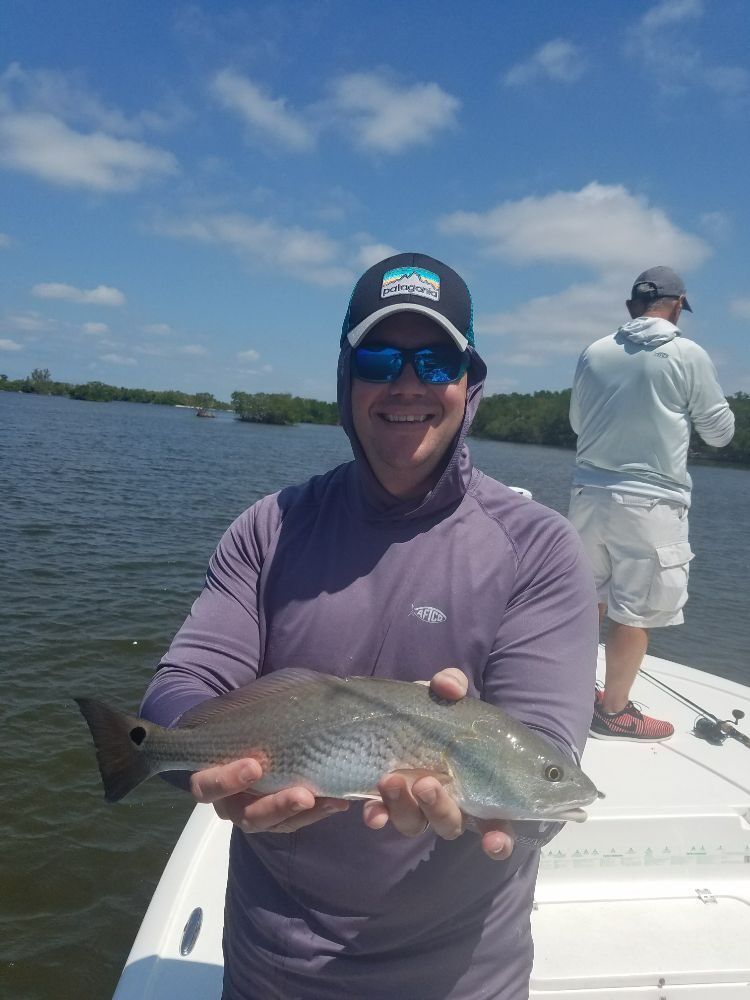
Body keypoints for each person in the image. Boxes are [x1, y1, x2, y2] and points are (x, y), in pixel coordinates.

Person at [141, 252, 598, 1000]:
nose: (408, 383)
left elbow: (544, 754)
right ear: (345, 379)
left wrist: (517, 814)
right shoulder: (269, 527)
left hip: (462, 975)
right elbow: (182, 684)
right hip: (271, 965)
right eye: (381, 358)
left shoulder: (540, 548)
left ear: (469, 382)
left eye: (437, 359)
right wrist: (198, 760)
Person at [568, 265, 735, 742]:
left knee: (586, 600)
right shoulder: (689, 354)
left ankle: (571, 696)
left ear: (630, 307)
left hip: (588, 496)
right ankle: (614, 712)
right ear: (678, 305)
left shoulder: (593, 352)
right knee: (635, 610)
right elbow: (720, 435)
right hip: (652, 502)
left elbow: (580, 423)